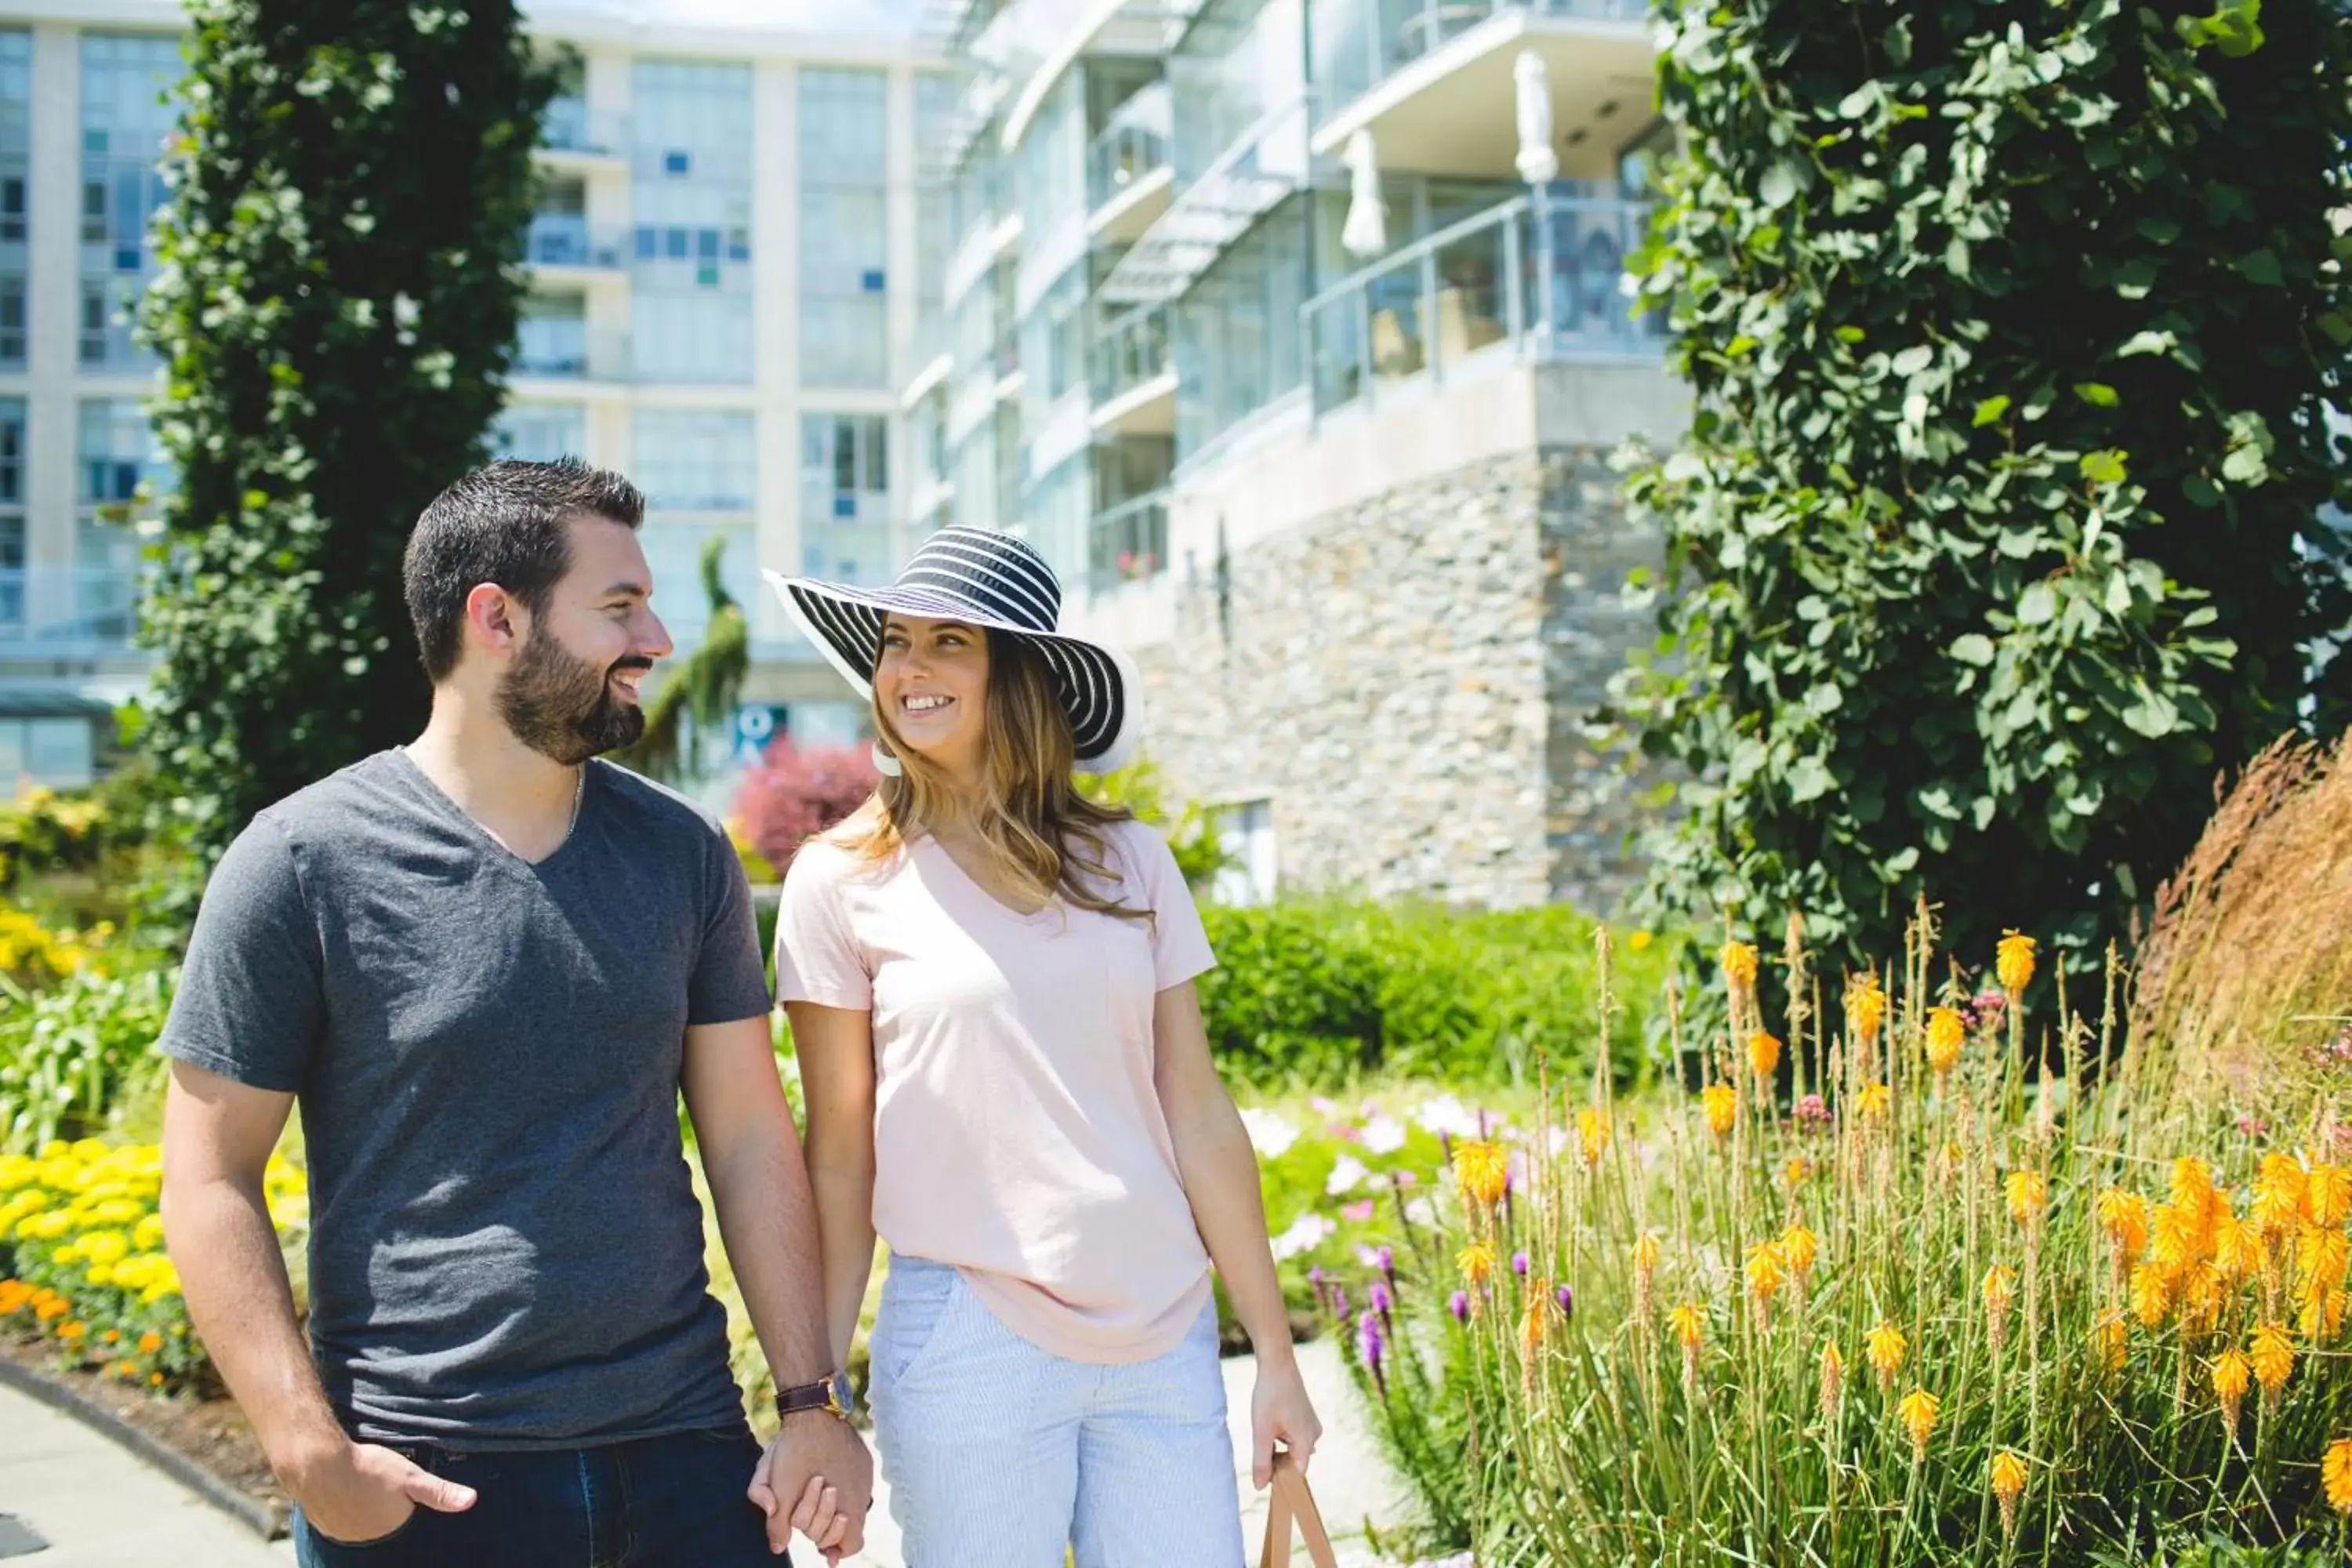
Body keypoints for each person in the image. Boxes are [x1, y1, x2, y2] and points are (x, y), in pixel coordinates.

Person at [158, 460, 871, 1566]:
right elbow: (208, 1175)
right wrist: (308, 1453)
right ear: (495, 616)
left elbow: (745, 1137)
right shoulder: (300, 863)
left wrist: (812, 1403)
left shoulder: (682, 856)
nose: (659, 639)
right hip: (426, 1482)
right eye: (620, 606)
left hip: (689, 1459)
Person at [768, 526, 1322, 1566]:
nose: (910, 669)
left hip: (1161, 1333)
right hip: (971, 1337)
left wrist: (1278, 1357)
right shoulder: (838, 881)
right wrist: (816, 1391)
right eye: (895, 641)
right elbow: (839, 1151)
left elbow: (1196, 1112)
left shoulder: (1130, 861)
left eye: (949, 642)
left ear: (1019, 675)